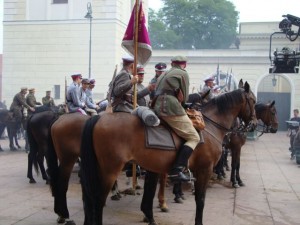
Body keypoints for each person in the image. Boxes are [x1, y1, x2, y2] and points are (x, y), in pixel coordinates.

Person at [152, 55, 200, 182]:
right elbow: (185, 97)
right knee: (194, 137)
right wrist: (182, 102)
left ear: (172, 63)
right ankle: (177, 170)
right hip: (170, 108)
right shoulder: (182, 73)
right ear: (185, 64)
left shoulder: (164, 74)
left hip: (157, 106)